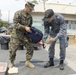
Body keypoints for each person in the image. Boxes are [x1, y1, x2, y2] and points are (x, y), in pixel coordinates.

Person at [9, 2, 35, 69]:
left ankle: (28, 61)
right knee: (13, 50)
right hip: (16, 35)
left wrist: (30, 31)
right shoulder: (18, 13)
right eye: (30, 9)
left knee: (30, 46)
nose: (31, 11)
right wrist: (24, 27)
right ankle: (11, 62)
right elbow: (15, 24)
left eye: (32, 9)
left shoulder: (30, 17)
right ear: (26, 7)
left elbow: (30, 26)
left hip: (24, 35)